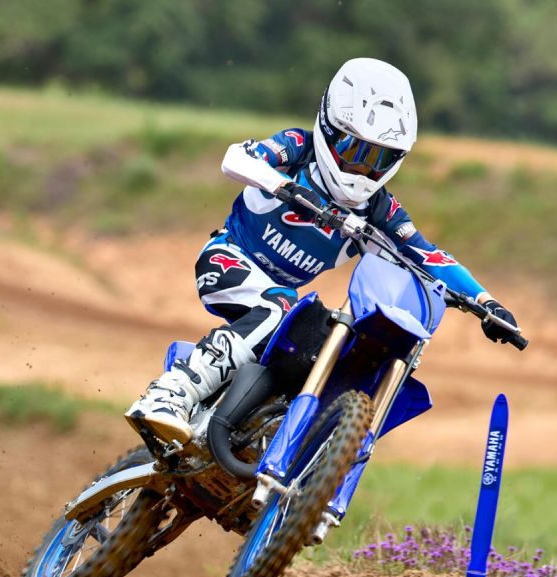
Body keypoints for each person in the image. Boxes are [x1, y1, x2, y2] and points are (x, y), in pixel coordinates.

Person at [126, 57, 519, 444]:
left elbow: (428, 256)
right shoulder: (298, 148)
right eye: (356, 150)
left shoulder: (378, 209)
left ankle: (261, 437)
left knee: (323, 342)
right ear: (330, 129)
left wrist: (486, 302)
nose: (364, 169)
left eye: (380, 157)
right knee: (278, 308)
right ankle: (169, 393)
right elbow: (237, 158)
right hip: (228, 258)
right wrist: (284, 186)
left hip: (283, 298)